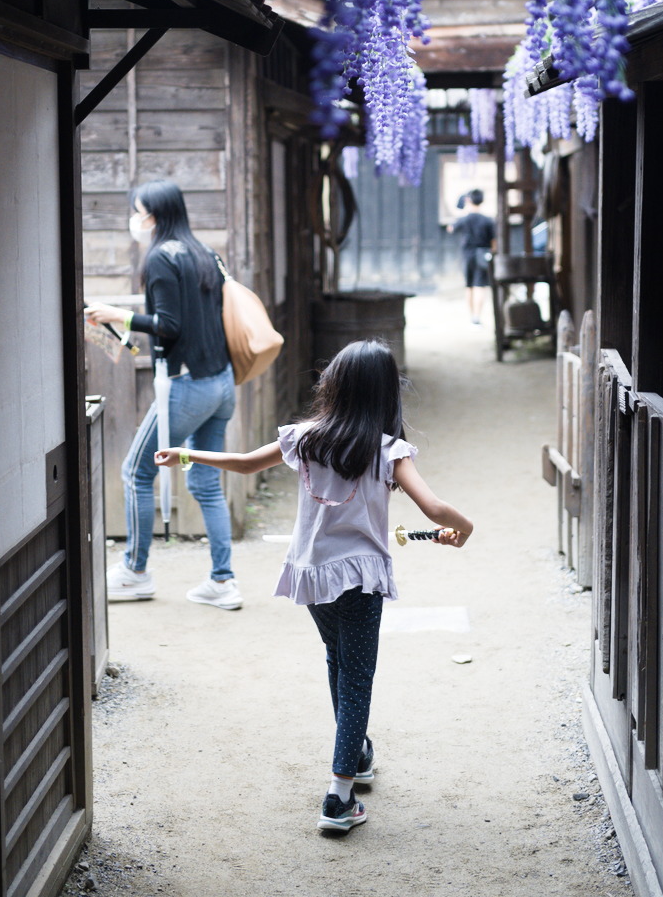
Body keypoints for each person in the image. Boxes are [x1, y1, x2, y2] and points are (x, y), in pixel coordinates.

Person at [155, 340, 472, 833]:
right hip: (360, 577)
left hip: (312, 573)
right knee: (357, 677)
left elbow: (243, 462)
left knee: (339, 661)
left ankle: (358, 752)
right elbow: (434, 510)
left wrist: (187, 454)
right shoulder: (388, 450)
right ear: (388, 394)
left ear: (335, 386)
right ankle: (339, 798)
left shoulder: (306, 438)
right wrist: (464, 528)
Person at [86, 181, 241, 610]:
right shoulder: (204, 252)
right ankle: (223, 581)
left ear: (156, 215)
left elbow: (169, 326)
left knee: (137, 471)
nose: (136, 219)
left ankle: (135, 572)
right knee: (207, 482)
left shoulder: (160, 258)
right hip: (222, 383)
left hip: (188, 386)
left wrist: (119, 315)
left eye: (140, 211)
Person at [450, 189, 496, 324]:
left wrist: (461, 212)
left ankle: (471, 316)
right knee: (480, 286)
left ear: (469, 200)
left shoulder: (464, 219)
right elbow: (494, 242)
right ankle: (477, 316)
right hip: (483, 254)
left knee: (469, 286)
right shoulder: (487, 220)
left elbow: (451, 228)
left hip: (468, 254)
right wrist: (492, 253)